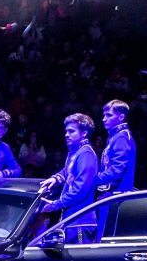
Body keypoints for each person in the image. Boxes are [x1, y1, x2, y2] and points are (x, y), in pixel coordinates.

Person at [39, 113, 100, 242]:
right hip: (72, 219)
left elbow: (80, 189)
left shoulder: (86, 154)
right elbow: (68, 171)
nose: (67, 134)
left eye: (71, 131)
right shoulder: (76, 152)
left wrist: (56, 205)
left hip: (80, 222)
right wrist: (56, 178)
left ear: (84, 133)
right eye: (66, 131)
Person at [95, 100, 137, 195]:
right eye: (104, 115)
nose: (104, 119)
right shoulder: (115, 136)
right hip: (110, 195)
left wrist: (92, 180)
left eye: (109, 115)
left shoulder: (122, 137)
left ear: (121, 117)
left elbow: (116, 170)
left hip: (116, 197)